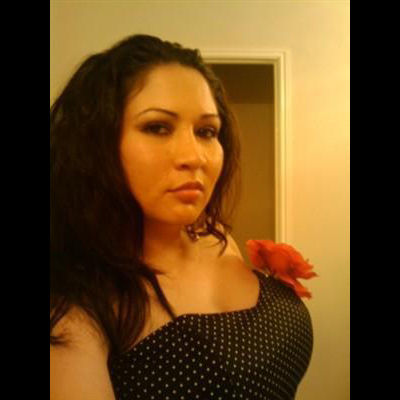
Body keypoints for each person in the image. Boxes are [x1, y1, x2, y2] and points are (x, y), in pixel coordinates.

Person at [50, 34, 313, 400]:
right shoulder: (76, 305)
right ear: (95, 143)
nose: (195, 157)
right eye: (157, 127)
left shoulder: (215, 236)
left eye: (206, 131)